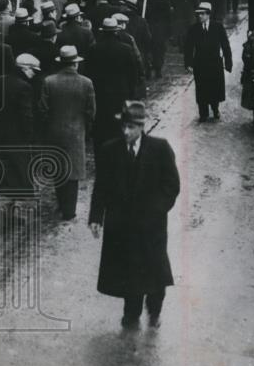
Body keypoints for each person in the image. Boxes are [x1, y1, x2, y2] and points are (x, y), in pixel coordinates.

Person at [88, 101, 180, 330]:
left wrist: (157, 209)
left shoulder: (160, 149)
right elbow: (101, 187)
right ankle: (131, 314)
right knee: (128, 270)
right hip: (121, 223)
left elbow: (171, 185)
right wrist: (96, 217)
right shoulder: (110, 150)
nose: (126, 132)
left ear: (141, 127)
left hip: (151, 225)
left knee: (155, 269)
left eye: (131, 127)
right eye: (123, 127)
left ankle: (155, 310)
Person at [38, 45, 96, 220]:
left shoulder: (49, 81)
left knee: (58, 169)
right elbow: (91, 111)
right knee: (73, 172)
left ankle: (61, 204)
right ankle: (69, 210)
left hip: (54, 131)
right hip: (76, 132)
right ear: (75, 64)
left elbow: (42, 109)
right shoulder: (86, 83)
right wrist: (87, 128)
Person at [0, 54, 40, 205]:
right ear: (25, 68)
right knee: (16, 172)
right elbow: (26, 115)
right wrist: (29, 135)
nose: (34, 74)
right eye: (33, 70)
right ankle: (13, 207)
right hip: (15, 136)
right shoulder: (24, 87)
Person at [84, 17, 140, 160]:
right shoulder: (126, 50)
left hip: (100, 96)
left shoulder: (93, 49)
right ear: (116, 32)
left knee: (100, 130)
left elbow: (87, 73)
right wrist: (131, 95)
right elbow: (133, 75)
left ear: (102, 32)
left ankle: (101, 158)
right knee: (118, 128)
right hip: (120, 96)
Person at [183, 2, 233, 122]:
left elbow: (225, 45)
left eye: (202, 14)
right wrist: (188, 64)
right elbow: (188, 47)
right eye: (198, 14)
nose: (200, 16)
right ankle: (203, 113)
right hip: (199, 63)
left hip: (214, 62)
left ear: (208, 15)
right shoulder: (194, 29)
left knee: (214, 87)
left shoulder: (218, 27)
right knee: (201, 88)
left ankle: (215, 109)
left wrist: (228, 62)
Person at [145, 0, 173, 79]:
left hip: (149, 24)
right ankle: (158, 70)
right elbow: (168, 15)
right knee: (159, 49)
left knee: (148, 48)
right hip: (161, 26)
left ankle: (148, 70)